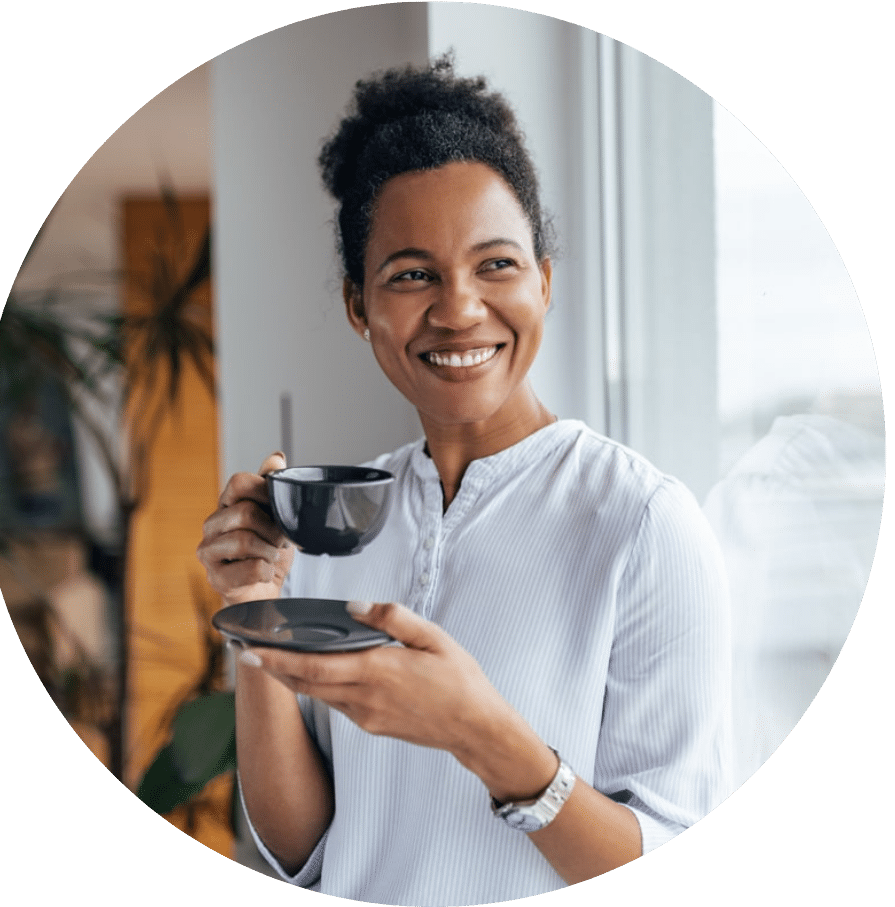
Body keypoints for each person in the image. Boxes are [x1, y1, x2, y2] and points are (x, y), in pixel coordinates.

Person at [197, 56, 732, 906]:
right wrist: (258, 607)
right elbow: (304, 850)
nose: (459, 309)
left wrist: (481, 734)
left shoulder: (643, 523)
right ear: (359, 306)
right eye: (412, 274)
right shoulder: (331, 526)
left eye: (496, 265)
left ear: (544, 282)